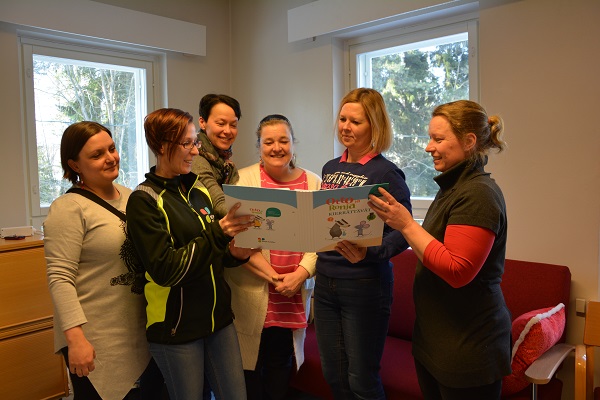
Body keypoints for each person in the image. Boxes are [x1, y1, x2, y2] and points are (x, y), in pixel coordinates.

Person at [368, 99, 510, 400]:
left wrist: (406, 224)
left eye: (438, 139)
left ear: (469, 141)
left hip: (468, 349)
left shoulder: (478, 194)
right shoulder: (453, 188)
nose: (428, 147)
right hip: (436, 342)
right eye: (430, 138)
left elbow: (457, 271)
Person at [125, 108, 254, 400]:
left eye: (195, 142)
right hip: (176, 329)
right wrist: (218, 233)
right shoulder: (144, 200)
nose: (195, 151)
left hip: (218, 320)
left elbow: (213, 256)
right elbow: (167, 270)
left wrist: (236, 254)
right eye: (187, 143)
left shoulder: (198, 190)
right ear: (161, 146)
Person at [44, 121, 162, 399]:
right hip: (95, 338)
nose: (110, 158)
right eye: (97, 155)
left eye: (111, 148)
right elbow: (60, 278)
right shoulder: (69, 208)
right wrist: (75, 339)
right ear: (74, 164)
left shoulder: (133, 197)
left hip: (137, 333)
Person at [314, 88, 412, 399]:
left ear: (374, 125)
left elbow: (404, 231)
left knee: (361, 379)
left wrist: (371, 252)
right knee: (334, 374)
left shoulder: (386, 172)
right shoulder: (330, 168)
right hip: (325, 281)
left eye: (355, 122)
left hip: (364, 285)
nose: (346, 127)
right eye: (343, 119)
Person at [225, 114, 322, 400]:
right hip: (254, 294)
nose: (277, 148)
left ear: (293, 143)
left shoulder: (313, 182)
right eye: (269, 142)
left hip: (293, 296)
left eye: (283, 141)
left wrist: (300, 275)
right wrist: (276, 278)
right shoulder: (243, 180)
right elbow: (238, 241)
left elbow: (320, 240)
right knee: (249, 371)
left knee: (281, 368)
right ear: (259, 146)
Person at [192, 93, 242, 218]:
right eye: (220, 123)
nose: (228, 131)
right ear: (202, 122)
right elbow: (219, 203)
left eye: (233, 125)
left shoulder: (227, 165)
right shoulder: (195, 158)